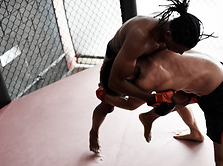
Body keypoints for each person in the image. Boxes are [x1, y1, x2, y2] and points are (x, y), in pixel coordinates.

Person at [89, 0, 213, 153]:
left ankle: (195, 131)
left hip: (145, 60)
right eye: (179, 49)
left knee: (178, 93)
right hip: (118, 61)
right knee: (109, 106)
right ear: (168, 36)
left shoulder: (172, 30)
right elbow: (115, 82)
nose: (180, 54)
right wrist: (152, 98)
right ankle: (94, 130)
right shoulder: (140, 36)